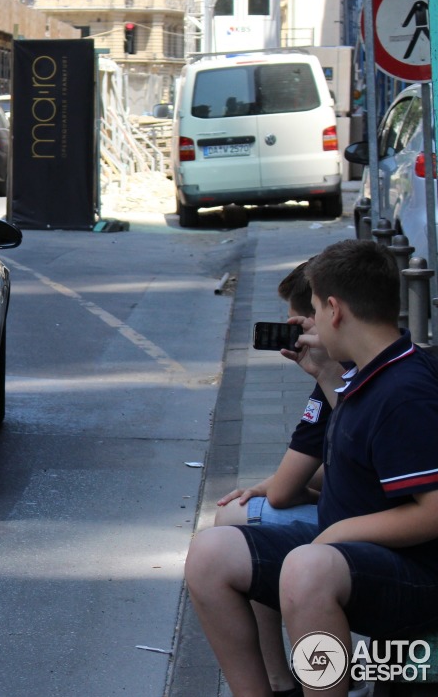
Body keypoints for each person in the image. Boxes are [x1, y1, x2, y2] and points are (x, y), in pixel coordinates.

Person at [185, 239, 438, 697]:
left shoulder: (405, 391)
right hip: (345, 553)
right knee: (210, 554)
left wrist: (338, 535)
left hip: (413, 575)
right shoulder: (367, 373)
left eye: (317, 310)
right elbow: (359, 468)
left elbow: (433, 511)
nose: (313, 324)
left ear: (335, 310)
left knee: (308, 567)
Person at [211, 260, 327, 696]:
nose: (292, 333)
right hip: (354, 515)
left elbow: (285, 493)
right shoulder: (337, 376)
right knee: (241, 519)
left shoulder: (350, 379)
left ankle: (288, 678)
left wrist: (276, 486)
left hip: (362, 535)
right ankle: (279, 678)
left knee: (243, 526)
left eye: (298, 321)